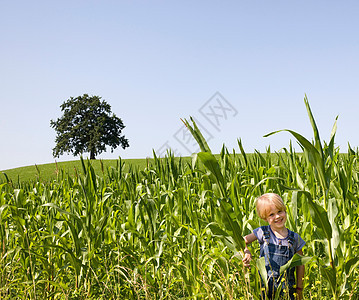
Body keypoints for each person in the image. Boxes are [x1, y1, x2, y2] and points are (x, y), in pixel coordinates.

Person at [242, 193, 305, 300]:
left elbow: (301, 265)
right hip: (265, 288)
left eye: (279, 211)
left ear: (285, 211)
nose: (277, 216)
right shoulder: (262, 232)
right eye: (271, 215)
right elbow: (242, 241)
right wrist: (246, 251)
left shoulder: (295, 238)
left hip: (287, 290)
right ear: (265, 217)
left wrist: (299, 288)